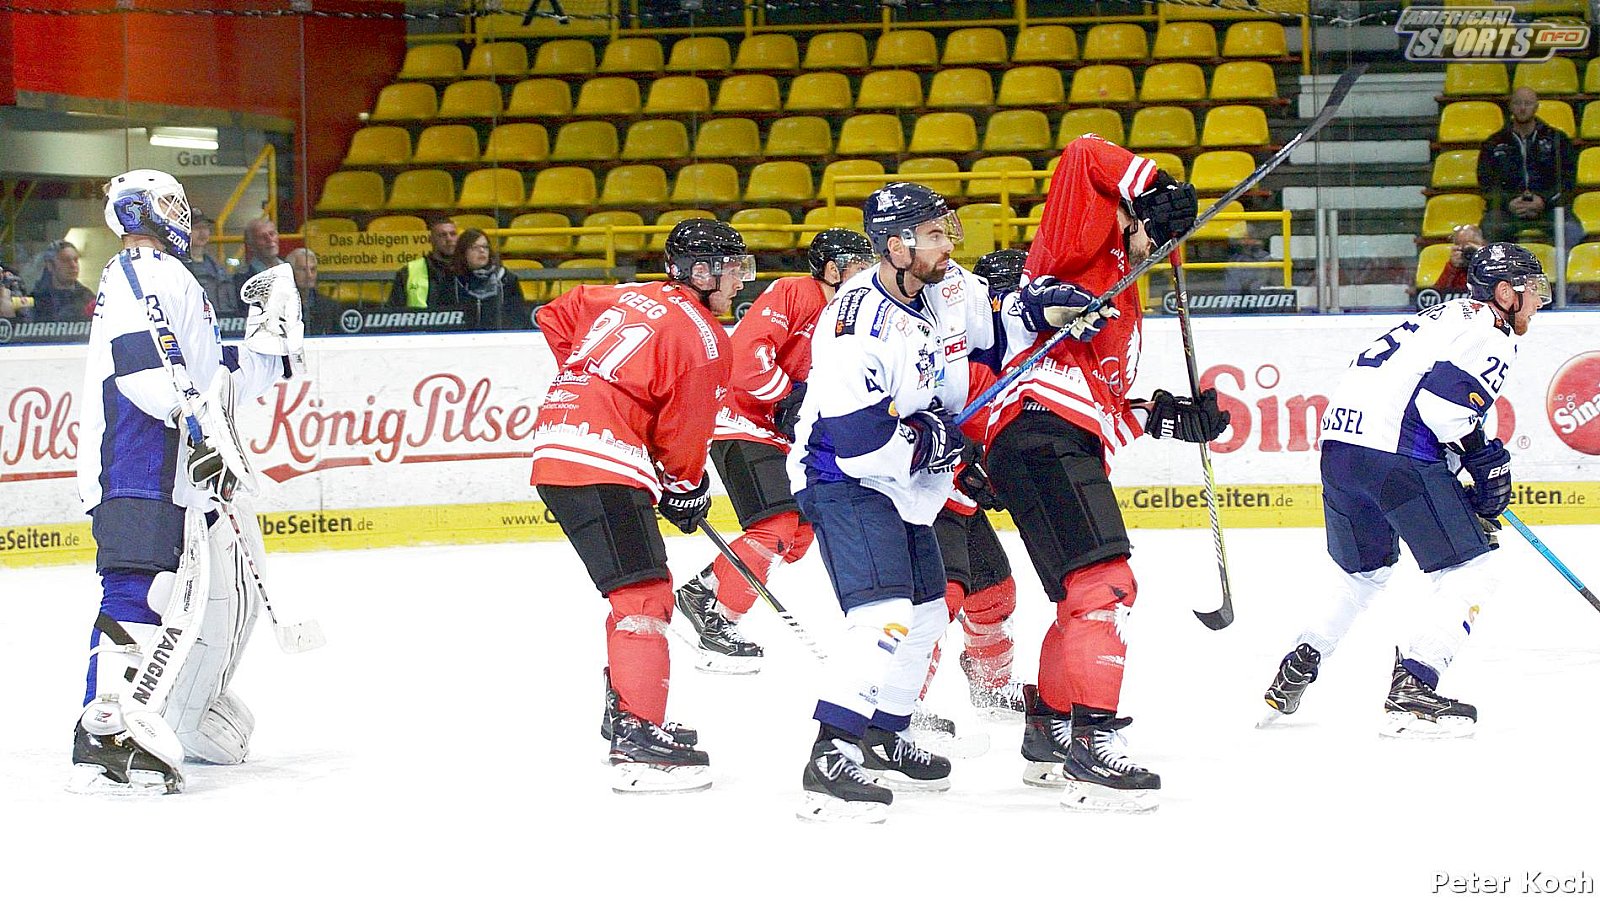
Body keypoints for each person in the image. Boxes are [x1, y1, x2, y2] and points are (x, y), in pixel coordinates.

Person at [976, 135, 1223, 813]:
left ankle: (1051, 728)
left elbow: (1103, 410)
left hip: (1051, 439)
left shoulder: (1127, 302)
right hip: (1038, 433)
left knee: (1080, 596)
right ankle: (1093, 747)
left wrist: (1169, 418)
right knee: (1105, 587)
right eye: (1154, 232)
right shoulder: (1081, 252)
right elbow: (1084, 153)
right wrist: (1151, 185)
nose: (1160, 248)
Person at [71, 169, 302, 795]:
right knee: (137, 591)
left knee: (175, 598)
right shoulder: (138, 269)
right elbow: (143, 367)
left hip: (170, 465)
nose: (182, 214)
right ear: (140, 210)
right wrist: (194, 424)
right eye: (170, 203)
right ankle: (104, 733)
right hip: (136, 459)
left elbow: (208, 378)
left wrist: (270, 351)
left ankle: (138, 720)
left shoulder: (172, 277)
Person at [1260, 243, 1547, 739]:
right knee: (1471, 569)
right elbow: (1442, 411)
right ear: (1505, 293)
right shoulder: (1490, 332)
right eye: (1533, 289)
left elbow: (1415, 399)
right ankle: (1414, 687)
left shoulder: (1442, 316)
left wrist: (1465, 468)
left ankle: (1301, 659)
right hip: (1394, 456)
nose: (1539, 300)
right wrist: (1485, 462)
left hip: (1340, 453)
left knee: (1363, 573)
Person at [787, 183, 996, 822]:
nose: (947, 244)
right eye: (932, 235)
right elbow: (859, 439)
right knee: (882, 615)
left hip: (900, 483)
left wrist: (1049, 307)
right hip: (844, 477)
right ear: (896, 246)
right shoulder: (855, 324)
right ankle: (830, 754)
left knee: (928, 614)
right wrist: (935, 440)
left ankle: (882, 733)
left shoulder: (935, 286)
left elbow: (990, 322)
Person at [529, 218, 751, 794]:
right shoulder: (707, 339)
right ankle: (637, 739)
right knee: (644, 596)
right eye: (732, 268)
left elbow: (554, 313)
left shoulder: (631, 294)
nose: (740, 280)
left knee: (637, 589)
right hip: (599, 459)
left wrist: (587, 383)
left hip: (561, 445)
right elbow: (684, 432)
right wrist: (686, 486)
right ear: (699, 272)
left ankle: (630, 712)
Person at [669, 228, 876, 675]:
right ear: (832, 270)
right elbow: (747, 360)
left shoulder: (857, 314)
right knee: (775, 528)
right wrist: (788, 398)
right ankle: (719, 622)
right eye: (859, 266)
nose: (868, 275)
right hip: (740, 421)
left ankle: (703, 589)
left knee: (799, 534)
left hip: (784, 435)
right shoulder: (795, 292)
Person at [914, 247, 1032, 723]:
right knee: (938, 601)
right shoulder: (949, 355)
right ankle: (900, 703)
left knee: (994, 592)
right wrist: (965, 464)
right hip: (928, 498)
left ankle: (991, 688)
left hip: (962, 503)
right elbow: (919, 420)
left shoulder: (1021, 363)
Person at [1478, 87, 1580, 247]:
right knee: (1489, 229)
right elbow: (1486, 183)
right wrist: (1508, 202)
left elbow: (1568, 181)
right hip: (1506, 210)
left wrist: (1543, 201)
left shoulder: (1557, 139)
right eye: (1518, 103)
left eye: (1528, 103)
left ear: (1536, 107)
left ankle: (1566, 265)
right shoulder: (1493, 142)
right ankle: (1502, 265)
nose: (1522, 108)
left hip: (1550, 208)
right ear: (1510, 106)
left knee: (1572, 230)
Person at [446, 228, 526, 330]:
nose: (482, 251)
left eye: (485, 247)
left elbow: (518, 318)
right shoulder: (451, 281)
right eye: (475, 247)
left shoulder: (506, 279)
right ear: (463, 252)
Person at [387, 214, 458, 309]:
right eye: (442, 235)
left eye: (453, 234)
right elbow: (394, 310)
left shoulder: (467, 269)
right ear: (431, 240)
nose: (449, 239)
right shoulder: (408, 271)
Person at [27, 240, 96, 321]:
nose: (73, 265)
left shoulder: (87, 298)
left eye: (76, 260)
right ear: (50, 265)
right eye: (65, 261)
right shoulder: (36, 300)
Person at [186, 212, 239, 316]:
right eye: (197, 228)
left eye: (206, 227)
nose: (202, 232)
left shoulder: (218, 266)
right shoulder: (179, 267)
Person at [286, 247, 339, 335]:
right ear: (290, 272)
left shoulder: (329, 307)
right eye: (303, 270)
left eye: (313, 269)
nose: (309, 275)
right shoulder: (279, 306)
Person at [230, 216, 283, 297]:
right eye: (262, 237)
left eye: (272, 234)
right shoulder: (241, 280)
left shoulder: (293, 270)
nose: (270, 240)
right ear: (250, 246)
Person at [1431, 224, 1485, 294]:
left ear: (1483, 244)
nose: (1466, 249)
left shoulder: (1492, 262)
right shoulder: (1455, 267)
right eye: (1459, 244)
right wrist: (1452, 268)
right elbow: (1437, 294)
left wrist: (1484, 260)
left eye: (1471, 244)